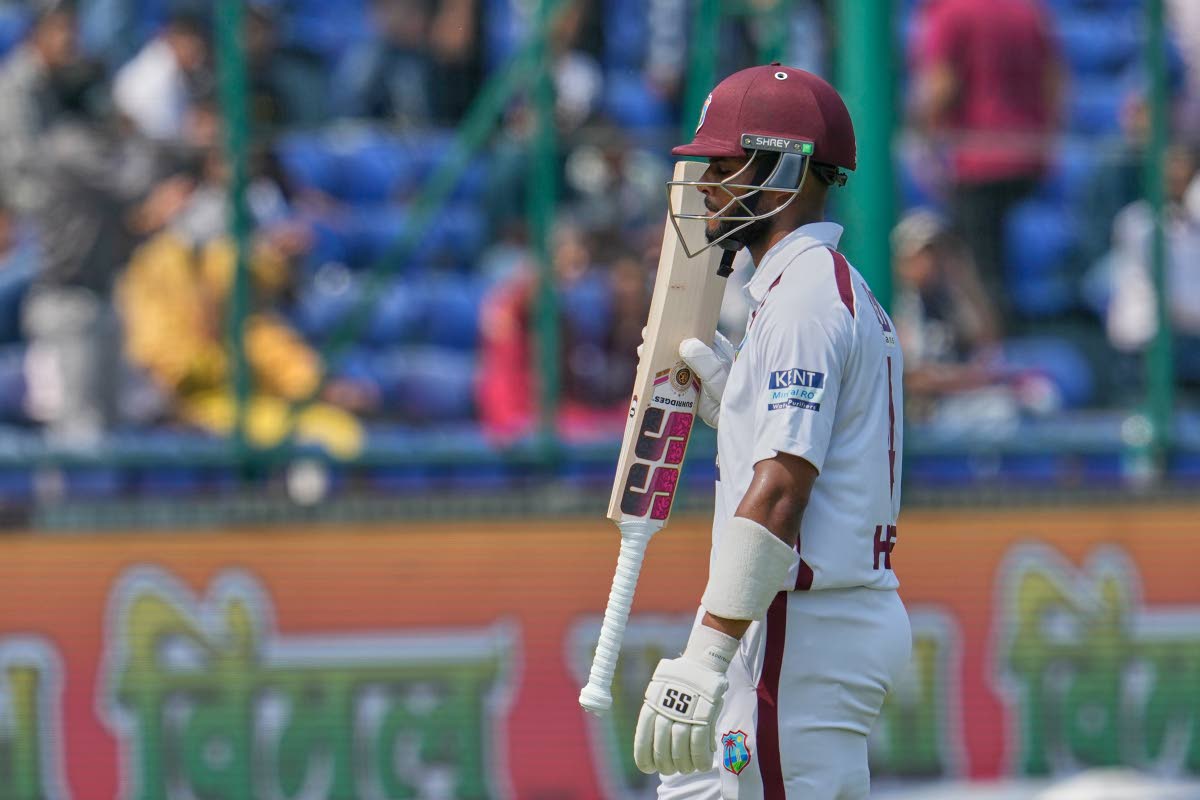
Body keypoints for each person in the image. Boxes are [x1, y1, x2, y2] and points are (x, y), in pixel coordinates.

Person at [632, 64, 910, 799]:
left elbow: (783, 490)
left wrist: (705, 654)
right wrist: (737, 405)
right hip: (787, 623)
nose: (706, 186)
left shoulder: (804, 298)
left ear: (783, 169)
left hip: (801, 629)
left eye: (725, 165)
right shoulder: (805, 289)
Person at [911, 0, 1063, 330]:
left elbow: (942, 85)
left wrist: (922, 137)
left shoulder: (951, 12)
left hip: (977, 161)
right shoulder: (1028, 11)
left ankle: (993, 344)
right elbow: (1054, 82)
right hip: (1027, 157)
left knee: (977, 275)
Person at [0, 0, 79, 214]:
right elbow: (21, 163)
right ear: (36, 34)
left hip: (53, 192)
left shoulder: (61, 75)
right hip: (25, 204)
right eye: (59, 28)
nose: (68, 38)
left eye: (72, 28)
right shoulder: (15, 86)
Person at [112, 12, 209, 141]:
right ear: (178, 40)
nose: (199, 54)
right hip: (146, 144)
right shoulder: (156, 72)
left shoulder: (170, 66)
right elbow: (162, 127)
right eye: (194, 45)